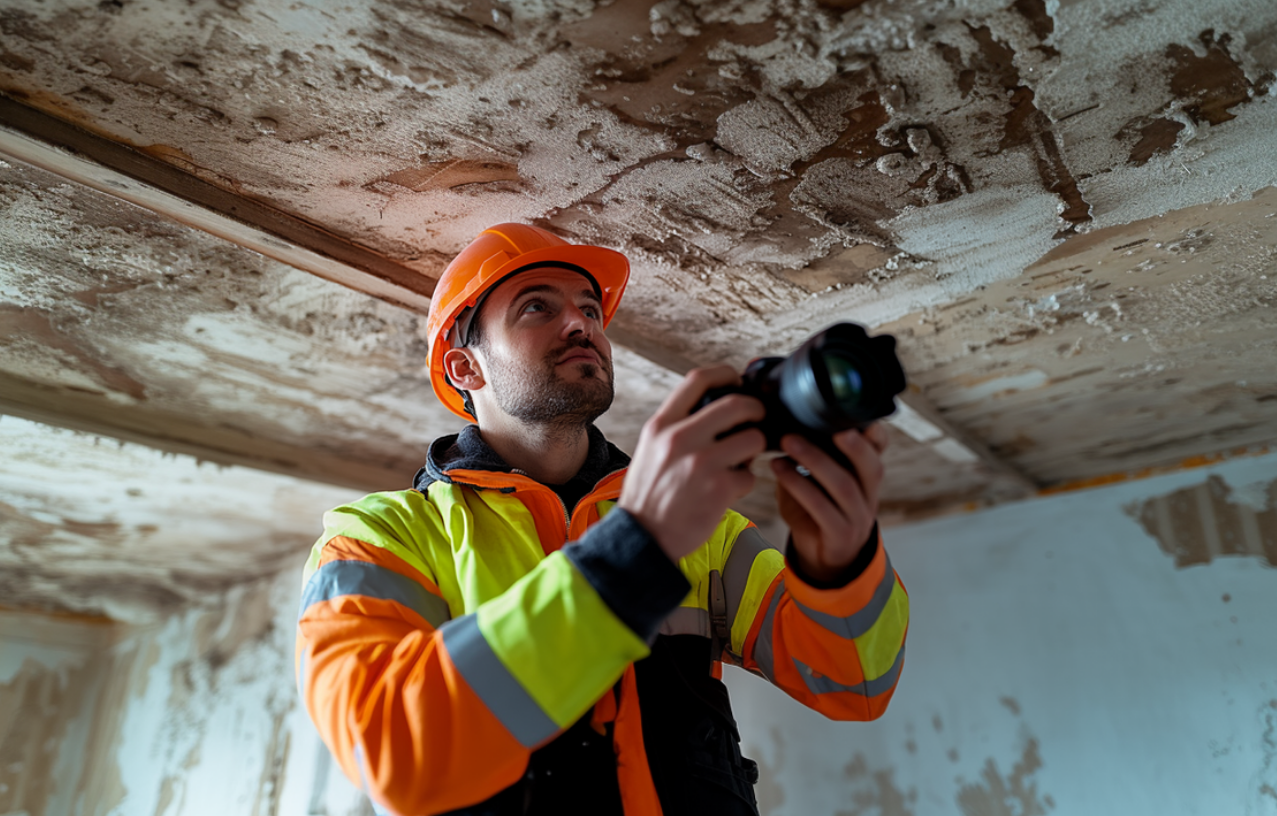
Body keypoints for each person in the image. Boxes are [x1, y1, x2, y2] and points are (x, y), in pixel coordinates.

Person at [296, 223, 909, 816]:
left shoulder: (705, 529)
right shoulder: (377, 537)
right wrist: (636, 549)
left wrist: (842, 562)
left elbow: (856, 681)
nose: (581, 324)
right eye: (537, 307)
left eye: (590, 309)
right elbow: (393, 750)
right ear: (466, 369)